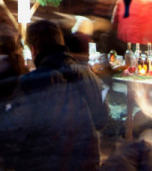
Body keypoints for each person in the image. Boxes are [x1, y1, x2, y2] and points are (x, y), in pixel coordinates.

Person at [0, 20, 110, 171]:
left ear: (33, 50)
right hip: (86, 164)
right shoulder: (90, 76)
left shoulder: (32, 82)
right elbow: (102, 120)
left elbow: (15, 132)